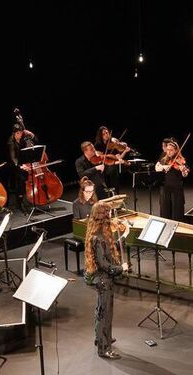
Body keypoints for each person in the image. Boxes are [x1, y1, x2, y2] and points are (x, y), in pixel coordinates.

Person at [85, 203, 128, 359]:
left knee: (101, 310)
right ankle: (104, 348)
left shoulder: (97, 231)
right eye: (108, 213)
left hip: (101, 278)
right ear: (103, 215)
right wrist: (121, 268)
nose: (110, 216)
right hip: (103, 280)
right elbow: (104, 265)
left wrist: (124, 235)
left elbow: (107, 252)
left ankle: (101, 339)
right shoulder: (98, 237)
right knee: (105, 314)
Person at [155, 138, 188, 220]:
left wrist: (183, 170)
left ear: (176, 151)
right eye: (168, 150)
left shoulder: (181, 160)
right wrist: (164, 167)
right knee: (165, 212)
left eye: (171, 150)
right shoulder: (164, 159)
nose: (169, 152)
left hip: (176, 188)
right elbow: (156, 168)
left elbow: (185, 175)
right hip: (165, 188)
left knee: (177, 213)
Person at [6, 123, 37, 213]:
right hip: (14, 165)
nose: (20, 135)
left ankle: (31, 200)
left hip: (24, 163)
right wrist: (21, 166)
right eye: (18, 133)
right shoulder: (11, 142)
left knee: (28, 177)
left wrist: (32, 135)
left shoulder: (23, 137)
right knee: (21, 179)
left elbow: (35, 142)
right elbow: (13, 158)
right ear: (15, 133)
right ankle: (20, 203)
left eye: (21, 133)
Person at [95, 126, 130, 191]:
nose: (106, 135)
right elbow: (100, 158)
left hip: (113, 165)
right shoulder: (98, 144)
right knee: (111, 169)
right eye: (103, 134)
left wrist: (125, 151)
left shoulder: (113, 142)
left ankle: (115, 191)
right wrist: (111, 156)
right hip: (103, 166)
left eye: (107, 132)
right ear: (100, 135)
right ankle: (111, 190)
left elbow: (119, 157)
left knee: (113, 169)